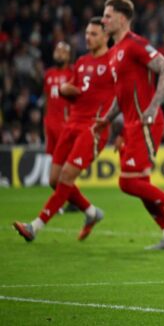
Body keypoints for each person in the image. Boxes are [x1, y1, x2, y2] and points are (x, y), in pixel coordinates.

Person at [94, 0, 164, 250]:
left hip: (146, 122)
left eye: (107, 16)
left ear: (121, 18)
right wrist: (107, 120)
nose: (104, 20)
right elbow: (122, 95)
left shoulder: (135, 44)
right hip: (130, 125)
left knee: (128, 183)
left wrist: (152, 108)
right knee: (141, 184)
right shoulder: (114, 52)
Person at [13, 18, 113, 242]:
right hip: (72, 124)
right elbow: (76, 91)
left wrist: (123, 129)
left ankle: (34, 227)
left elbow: (123, 95)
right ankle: (91, 212)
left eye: (94, 34)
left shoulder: (113, 62)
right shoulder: (81, 62)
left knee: (67, 176)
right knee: (54, 180)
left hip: (92, 128)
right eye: (87, 33)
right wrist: (68, 89)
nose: (88, 37)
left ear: (106, 36)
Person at [42, 41, 73, 185]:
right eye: (57, 51)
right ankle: (66, 196)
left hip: (65, 123)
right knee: (55, 160)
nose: (58, 54)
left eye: (62, 52)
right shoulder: (48, 74)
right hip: (50, 122)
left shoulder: (72, 73)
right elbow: (46, 99)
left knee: (66, 162)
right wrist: (45, 121)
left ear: (68, 56)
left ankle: (68, 195)